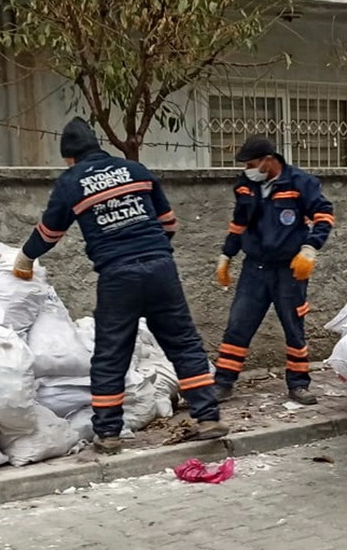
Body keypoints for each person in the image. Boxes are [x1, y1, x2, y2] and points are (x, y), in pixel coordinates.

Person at [12, 117, 227, 455]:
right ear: (97, 146)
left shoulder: (72, 181)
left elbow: (49, 232)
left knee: (112, 353)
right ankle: (208, 417)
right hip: (161, 268)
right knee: (184, 343)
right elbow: (168, 223)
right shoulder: (135, 170)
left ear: (69, 157)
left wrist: (25, 258)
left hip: (118, 275)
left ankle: (109, 433)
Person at [213, 135, 334, 405]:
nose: (248, 169)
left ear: (269, 160)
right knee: (238, 325)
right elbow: (239, 223)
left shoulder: (300, 183)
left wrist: (310, 248)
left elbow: (324, 215)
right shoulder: (246, 185)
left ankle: (299, 385)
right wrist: (226, 254)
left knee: (293, 328)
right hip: (254, 267)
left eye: (252, 163)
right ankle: (223, 384)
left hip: (289, 270)